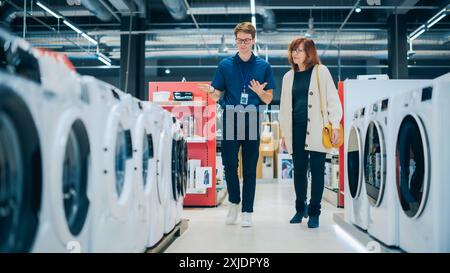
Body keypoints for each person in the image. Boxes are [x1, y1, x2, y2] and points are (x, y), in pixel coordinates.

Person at [198, 22, 276, 227]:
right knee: (230, 164)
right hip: (231, 117)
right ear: (235, 40)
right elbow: (217, 94)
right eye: (239, 40)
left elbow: (268, 99)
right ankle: (234, 201)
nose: (243, 44)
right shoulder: (225, 65)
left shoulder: (263, 66)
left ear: (253, 40)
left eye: (247, 40)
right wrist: (210, 92)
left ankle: (247, 211)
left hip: (253, 118)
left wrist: (259, 92)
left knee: (250, 168)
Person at [279, 38, 342, 228]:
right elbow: (283, 107)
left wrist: (336, 125)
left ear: (310, 53)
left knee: (317, 172)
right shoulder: (288, 77)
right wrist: (284, 133)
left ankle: (314, 212)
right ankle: (300, 209)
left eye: (299, 50)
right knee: (298, 172)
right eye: (293, 50)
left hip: (317, 129)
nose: (295, 53)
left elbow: (332, 99)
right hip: (295, 130)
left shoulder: (321, 72)